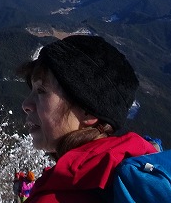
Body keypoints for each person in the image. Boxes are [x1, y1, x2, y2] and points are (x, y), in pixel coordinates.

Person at [17, 34, 157, 202]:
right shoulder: (130, 175)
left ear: (87, 111)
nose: (26, 104)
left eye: (41, 91)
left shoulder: (60, 196)